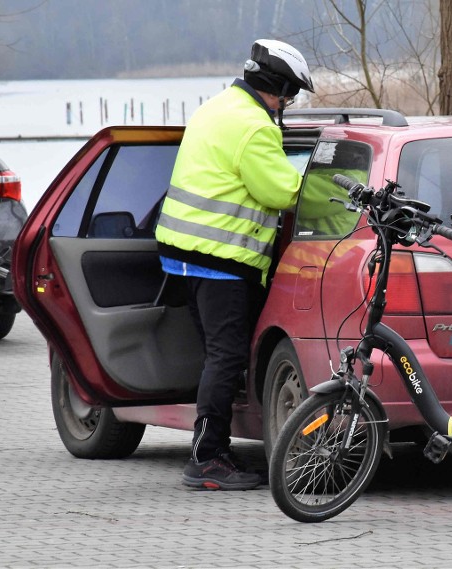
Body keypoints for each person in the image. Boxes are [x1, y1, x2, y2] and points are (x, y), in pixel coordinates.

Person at [155, 39, 315, 490]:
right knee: (226, 358)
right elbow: (283, 192)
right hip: (220, 261)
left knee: (215, 356)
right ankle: (207, 458)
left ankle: (211, 449)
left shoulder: (216, 108)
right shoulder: (254, 127)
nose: (290, 103)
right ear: (277, 87)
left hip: (182, 255)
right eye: (291, 94)